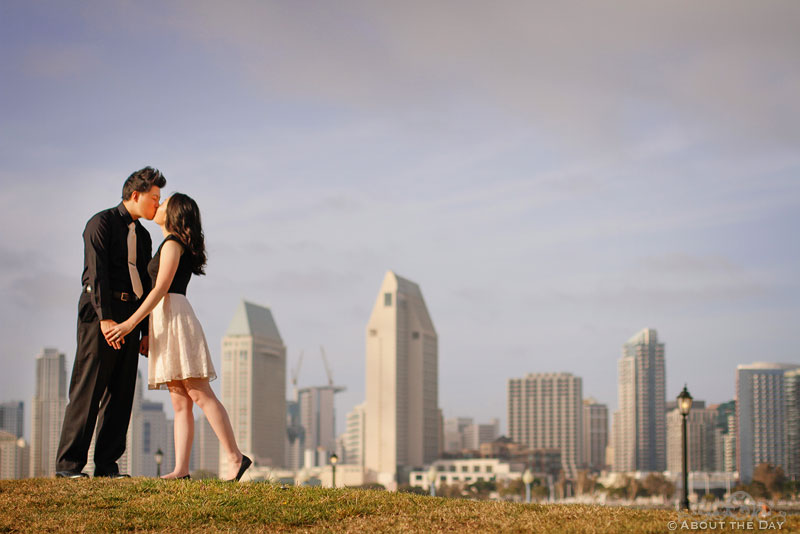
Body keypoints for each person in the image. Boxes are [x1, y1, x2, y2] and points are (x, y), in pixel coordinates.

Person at [105, 193, 251, 481]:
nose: (157, 206)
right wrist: (147, 329)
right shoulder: (168, 243)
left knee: (198, 392)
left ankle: (236, 457)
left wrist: (130, 324)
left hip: (174, 317)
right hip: (164, 320)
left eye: (164, 202)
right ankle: (181, 469)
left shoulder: (173, 244)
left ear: (174, 213)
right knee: (180, 399)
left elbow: (159, 289)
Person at [56, 167, 165, 479]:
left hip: (131, 318)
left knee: (121, 394)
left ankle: (107, 467)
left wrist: (145, 330)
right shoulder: (100, 223)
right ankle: (68, 467)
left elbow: (147, 282)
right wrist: (105, 319)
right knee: (87, 390)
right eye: (154, 198)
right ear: (135, 195)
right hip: (100, 316)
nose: (157, 204)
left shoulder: (143, 236)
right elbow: (95, 275)